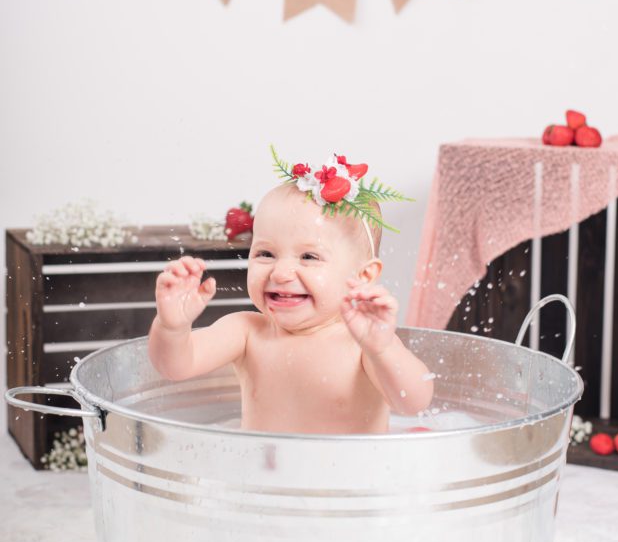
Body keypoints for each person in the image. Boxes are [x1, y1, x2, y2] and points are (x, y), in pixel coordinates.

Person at [148, 149, 434, 433]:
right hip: (264, 477)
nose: (280, 273)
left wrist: (382, 350)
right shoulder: (246, 331)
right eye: (265, 253)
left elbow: (413, 404)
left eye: (308, 257)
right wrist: (172, 327)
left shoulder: (365, 344)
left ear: (363, 276)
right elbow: (174, 368)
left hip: (348, 479)